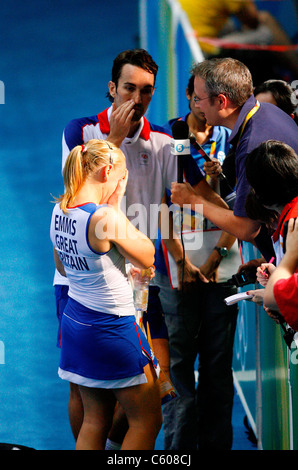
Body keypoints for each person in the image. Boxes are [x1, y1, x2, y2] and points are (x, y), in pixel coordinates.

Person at [54, 49, 224, 445]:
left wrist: (242, 219)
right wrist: (113, 139)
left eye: (146, 91)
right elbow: (75, 197)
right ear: (112, 88)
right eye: (128, 88)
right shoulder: (79, 134)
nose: (136, 99)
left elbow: (197, 194)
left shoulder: (167, 142)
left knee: (152, 397)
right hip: (81, 284)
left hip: (140, 288)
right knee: (86, 393)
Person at [50, 139, 162, 450]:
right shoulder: (105, 217)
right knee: (147, 421)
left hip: (77, 323)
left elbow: (64, 266)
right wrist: (115, 202)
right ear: (109, 171)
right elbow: (148, 255)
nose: (121, 184)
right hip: (112, 327)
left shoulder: (59, 210)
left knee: (95, 419)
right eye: (121, 178)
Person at [153, 73, 240, 449]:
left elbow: (241, 209)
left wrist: (217, 255)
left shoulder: (231, 139)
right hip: (177, 267)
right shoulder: (171, 140)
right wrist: (183, 261)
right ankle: (177, 451)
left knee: (218, 369)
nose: (205, 111)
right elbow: (160, 204)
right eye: (198, 100)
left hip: (222, 262)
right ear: (190, 98)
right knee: (179, 369)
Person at [171, 57, 298, 260]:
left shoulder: (252, 147)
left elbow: (246, 228)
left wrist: (193, 200)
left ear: (221, 101)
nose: (195, 104)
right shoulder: (268, 111)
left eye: (199, 98)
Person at [241, 141, 298, 321]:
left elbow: (281, 296)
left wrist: (269, 296)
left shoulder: (293, 222)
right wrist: (277, 274)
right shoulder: (289, 217)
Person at [178, 0, 298, 76]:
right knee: (266, 27)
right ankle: (296, 67)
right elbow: (253, 21)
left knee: (229, 25)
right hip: (204, 52)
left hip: (185, 48)